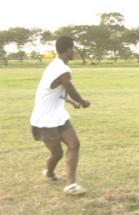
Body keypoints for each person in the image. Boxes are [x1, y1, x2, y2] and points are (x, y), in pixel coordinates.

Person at [30, 36, 91, 195]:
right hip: (44, 119)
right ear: (68, 49)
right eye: (73, 48)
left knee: (74, 144)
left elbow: (58, 92)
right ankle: (49, 173)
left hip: (58, 116)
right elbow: (71, 89)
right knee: (57, 153)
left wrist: (70, 102)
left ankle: (71, 185)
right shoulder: (61, 69)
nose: (74, 52)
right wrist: (83, 102)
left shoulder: (57, 65)